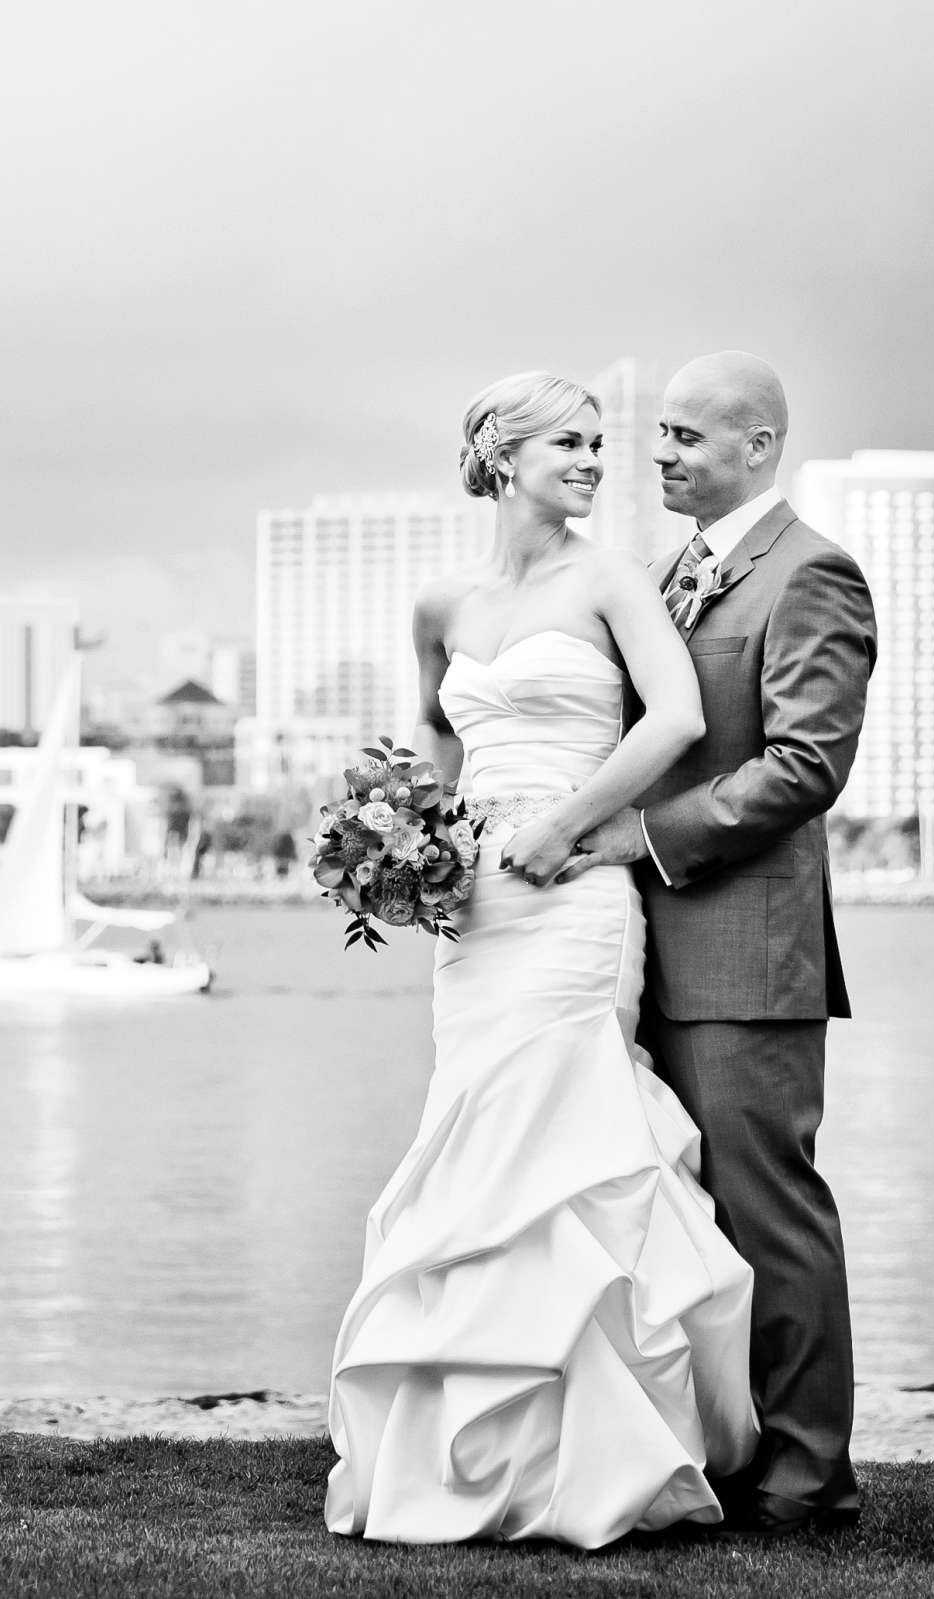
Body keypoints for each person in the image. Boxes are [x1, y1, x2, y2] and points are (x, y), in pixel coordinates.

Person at [325, 371, 756, 1548]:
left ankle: (600, 1454)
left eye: (597, 442)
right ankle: (472, 1446)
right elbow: (432, 731)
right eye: (569, 441)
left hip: (574, 901)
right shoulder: (441, 604)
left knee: (567, 1142)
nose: (594, 460)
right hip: (475, 918)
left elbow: (674, 722)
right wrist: (402, 833)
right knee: (473, 1142)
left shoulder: (611, 578)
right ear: (500, 454)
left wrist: (566, 825)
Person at [573, 351, 877, 1535]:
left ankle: (808, 1480)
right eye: (659, 437)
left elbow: (806, 767)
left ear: (758, 447)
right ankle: (720, 1445)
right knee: (685, 1219)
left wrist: (643, 836)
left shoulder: (812, 573)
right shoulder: (663, 575)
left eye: (687, 437)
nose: (660, 456)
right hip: (638, 947)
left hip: (745, 960)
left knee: (768, 1215)